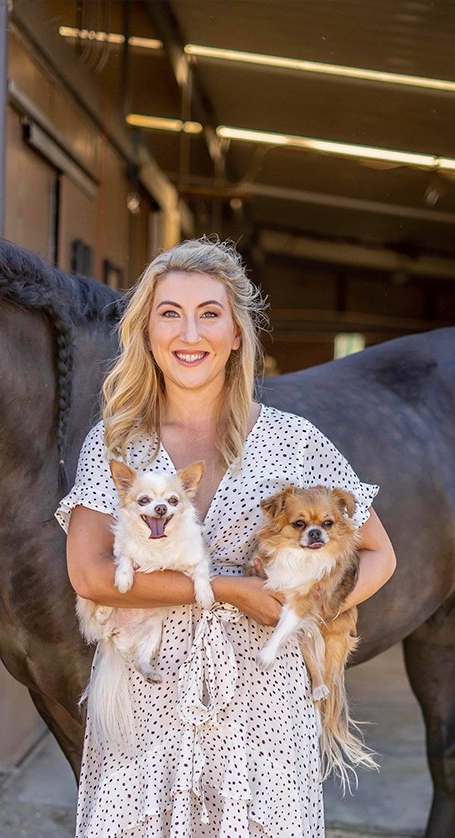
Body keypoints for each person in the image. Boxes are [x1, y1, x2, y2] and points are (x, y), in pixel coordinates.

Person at [55, 239, 396, 838]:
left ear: (236, 333)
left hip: (264, 718)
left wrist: (305, 607)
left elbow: (379, 555)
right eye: (170, 313)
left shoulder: (296, 441)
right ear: (147, 332)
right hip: (147, 709)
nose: (190, 333)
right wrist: (232, 592)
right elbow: (88, 574)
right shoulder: (116, 447)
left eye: (209, 313)